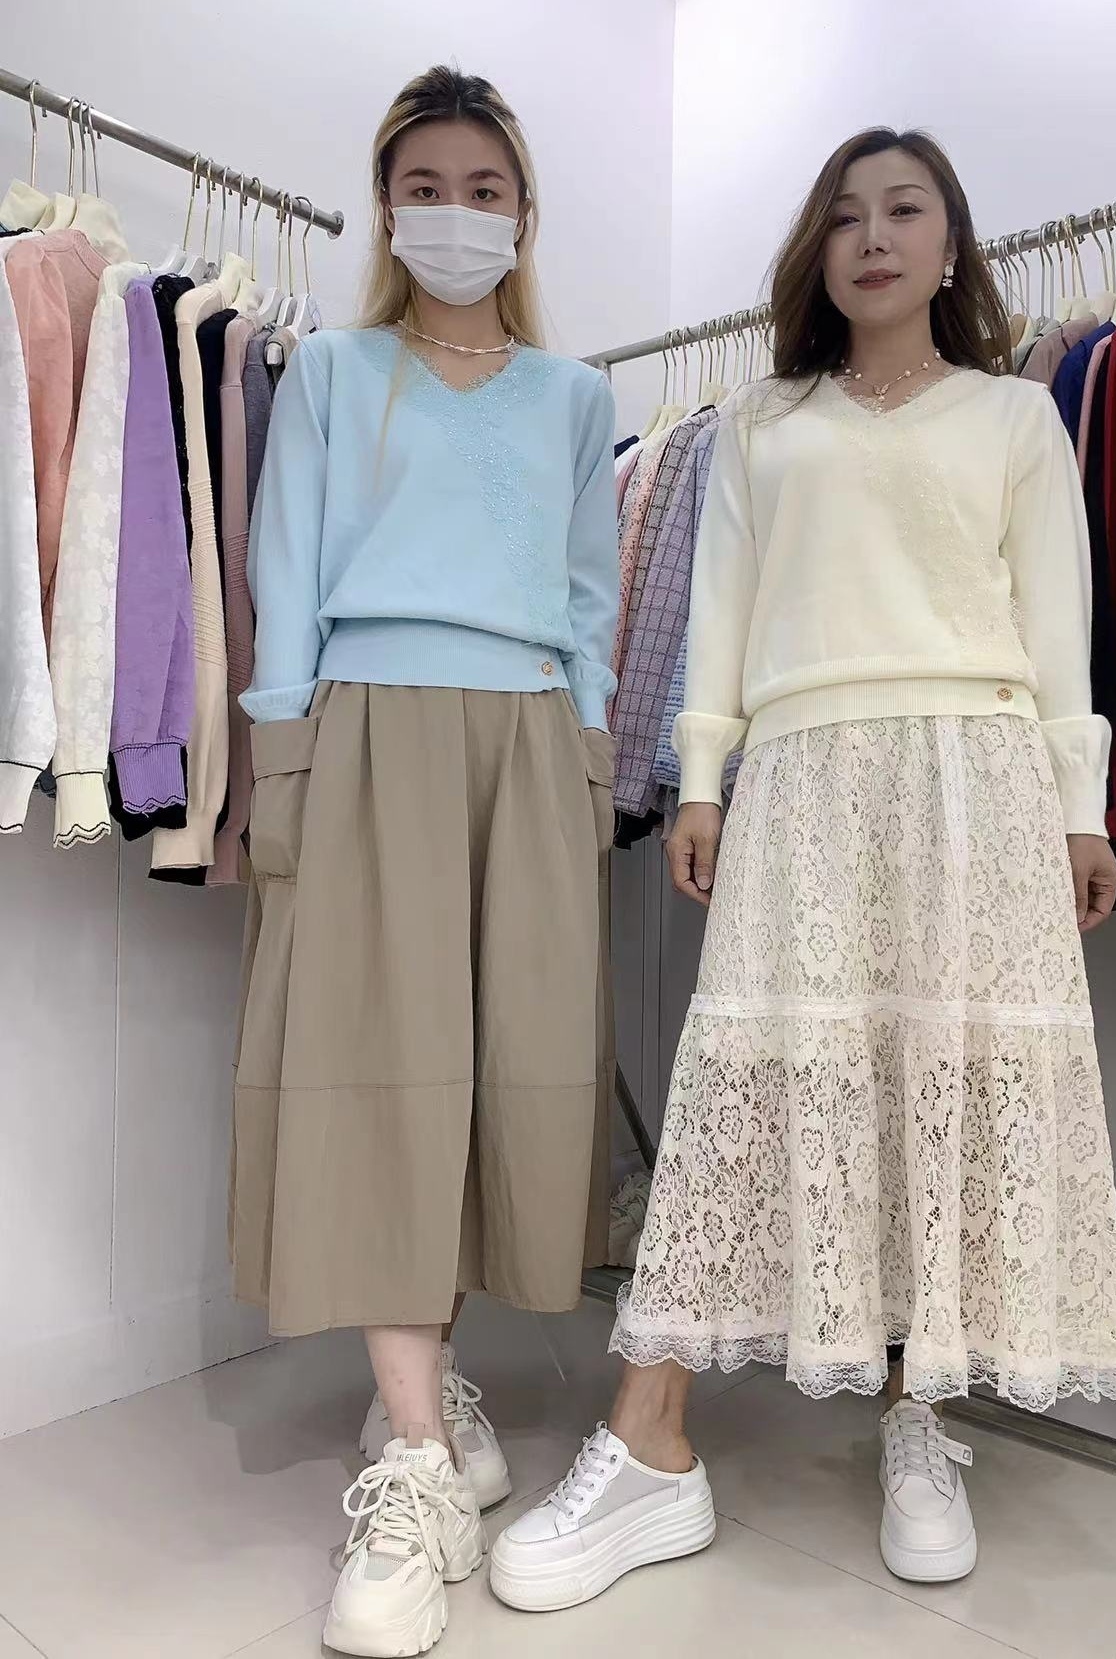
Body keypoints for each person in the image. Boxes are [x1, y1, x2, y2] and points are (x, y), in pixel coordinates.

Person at [491, 127, 1116, 1612]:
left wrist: (1079, 808)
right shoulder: (760, 421)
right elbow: (718, 614)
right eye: (845, 216)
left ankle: (920, 1418)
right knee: (747, 1083)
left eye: (905, 210)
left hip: (974, 773)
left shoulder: (1013, 416)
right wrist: (699, 777)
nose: (874, 237)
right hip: (800, 774)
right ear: (816, 250)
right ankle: (649, 1439)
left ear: (950, 243)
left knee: (944, 1079)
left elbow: (1059, 628)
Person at [232, 66, 619, 1657]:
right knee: (382, 1072)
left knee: (487, 1084)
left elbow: (588, 600)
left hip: (528, 736)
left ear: (522, 210)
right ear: (386, 207)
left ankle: (430, 1388)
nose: (454, 214)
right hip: (372, 718)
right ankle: (409, 1465)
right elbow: (284, 567)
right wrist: (281, 762)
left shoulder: (576, 396)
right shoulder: (335, 372)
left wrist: (587, 762)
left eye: (483, 187)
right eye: (424, 186)